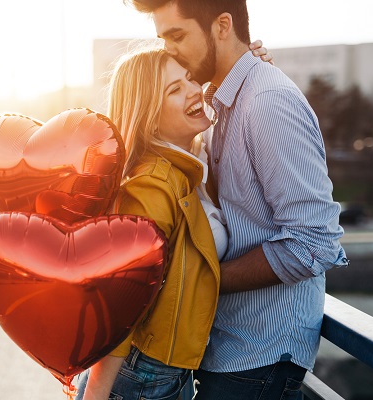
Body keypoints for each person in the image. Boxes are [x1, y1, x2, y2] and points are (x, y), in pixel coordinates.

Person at [123, 1, 349, 399]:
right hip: (226, 348)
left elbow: (315, 242)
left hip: (258, 355)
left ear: (222, 25)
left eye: (178, 36)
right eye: (164, 39)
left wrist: (199, 282)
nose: (171, 51)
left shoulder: (267, 102)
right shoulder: (221, 102)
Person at [75, 40, 271, 400]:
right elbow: (119, 303)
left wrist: (248, 71)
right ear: (149, 114)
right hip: (140, 376)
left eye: (190, 79)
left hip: (161, 373)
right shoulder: (151, 186)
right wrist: (96, 395)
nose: (195, 91)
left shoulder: (185, 168)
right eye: (175, 89)